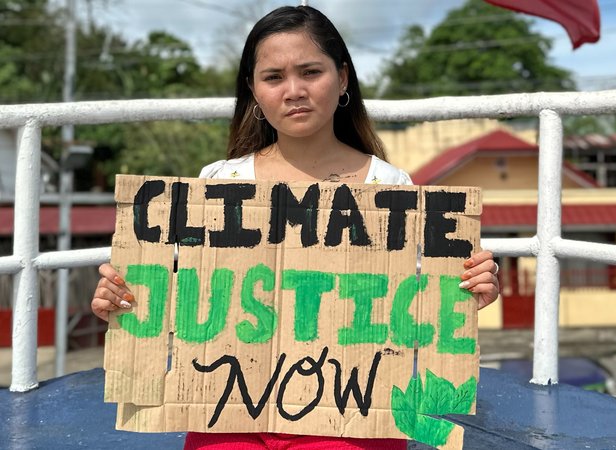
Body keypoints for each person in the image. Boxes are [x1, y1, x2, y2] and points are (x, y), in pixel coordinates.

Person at [91, 5, 500, 449]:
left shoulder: (390, 186)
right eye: (273, 77)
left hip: (354, 416)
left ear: (342, 78)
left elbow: (417, 301)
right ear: (253, 90)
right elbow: (177, 292)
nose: (294, 91)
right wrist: (123, 296)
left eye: (310, 71)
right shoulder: (219, 182)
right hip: (227, 412)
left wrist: (468, 291)